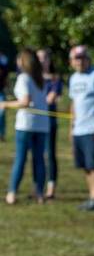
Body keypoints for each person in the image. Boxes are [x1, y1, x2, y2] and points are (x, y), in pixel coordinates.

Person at [3, 49, 50, 204]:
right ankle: (39, 193)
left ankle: (12, 193)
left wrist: (5, 104)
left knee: (20, 159)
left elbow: (25, 101)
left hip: (26, 125)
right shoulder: (40, 78)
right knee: (39, 160)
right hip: (42, 124)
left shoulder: (23, 78)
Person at [67, 45, 94, 211]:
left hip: (93, 127)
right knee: (85, 165)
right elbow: (73, 103)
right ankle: (91, 195)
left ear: (88, 59)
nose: (79, 61)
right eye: (76, 59)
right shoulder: (73, 79)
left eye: (82, 58)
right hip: (79, 128)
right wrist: (71, 127)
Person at [36, 48, 62, 200]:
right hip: (35, 122)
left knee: (50, 154)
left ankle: (51, 187)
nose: (41, 60)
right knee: (37, 155)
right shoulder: (33, 79)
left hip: (49, 122)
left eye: (44, 57)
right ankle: (39, 186)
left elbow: (50, 99)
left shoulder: (54, 79)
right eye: (38, 58)